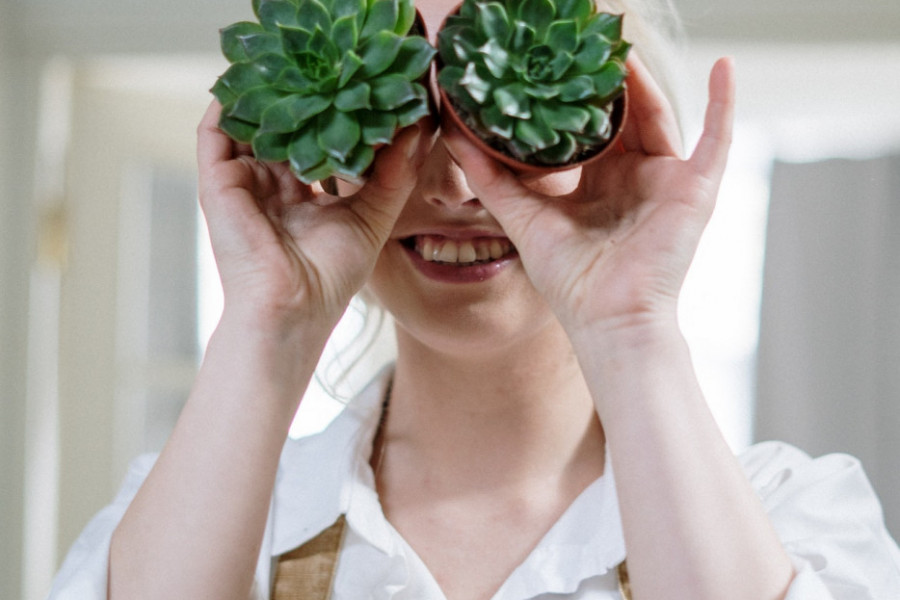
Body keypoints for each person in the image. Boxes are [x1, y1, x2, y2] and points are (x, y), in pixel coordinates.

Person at [48, 0, 900, 597]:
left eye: (509, 124)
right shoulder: (201, 507)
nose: (457, 184)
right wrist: (270, 323)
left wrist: (632, 326)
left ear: (616, 122)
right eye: (407, 114)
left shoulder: (793, 519)